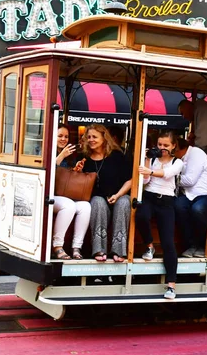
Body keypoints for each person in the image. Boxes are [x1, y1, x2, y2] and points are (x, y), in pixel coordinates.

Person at [135, 131, 183, 299]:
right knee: (141, 216)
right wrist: (147, 159)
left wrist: (149, 170)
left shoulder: (178, 162)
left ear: (173, 146)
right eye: (160, 145)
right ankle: (149, 246)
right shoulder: (153, 160)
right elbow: (145, 181)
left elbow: (168, 174)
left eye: (166, 146)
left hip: (167, 201)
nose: (162, 148)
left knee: (168, 242)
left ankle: (171, 285)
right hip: (149, 196)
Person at [75, 124, 132, 263]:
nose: (91, 140)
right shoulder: (84, 157)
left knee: (124, 202)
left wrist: (118, 195)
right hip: (97, 199)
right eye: (88, 137)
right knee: (97, 202)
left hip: (118, 195)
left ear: (104, 138)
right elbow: (79, 183)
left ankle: (119, 251)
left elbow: (131, 180)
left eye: (94, 136)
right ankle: (99, 250)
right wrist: (78, 171)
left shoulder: (117, 156)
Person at [52, 124, 91, 260]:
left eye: (66, 136)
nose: (63, 139)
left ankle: (76, 247)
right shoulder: (46, 150)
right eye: (60, 136)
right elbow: (47, 172)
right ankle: (57, 246)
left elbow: (66, 178)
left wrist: (76, 170)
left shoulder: (69, 156)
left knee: (86, 206)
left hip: (64, 194)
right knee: (69, 205)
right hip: (50, 194)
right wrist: (61, 156)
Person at [173, 138, 207, 259]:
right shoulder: (182, 158)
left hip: (205, 194)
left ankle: (202, 245)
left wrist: (169, 175)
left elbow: (190, 180)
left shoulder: (195, 153)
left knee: (198, 209)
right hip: (189, 195)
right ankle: (190, 245)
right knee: (177, 206)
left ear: (179, 148)